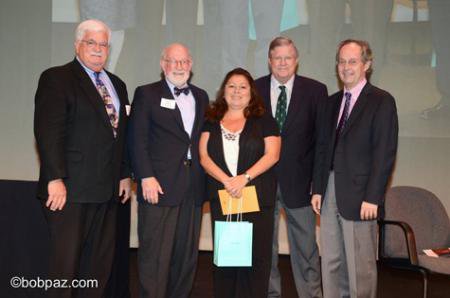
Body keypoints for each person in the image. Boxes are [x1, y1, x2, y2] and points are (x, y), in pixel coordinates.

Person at [34, 19, 132, 298]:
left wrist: (124, 172)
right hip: (70, 192)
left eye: (103, 44)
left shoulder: (117, 84)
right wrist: (54, 178)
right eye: (92, 42)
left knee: (97, 270)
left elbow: (120, 136)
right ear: (77, 45)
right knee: (64, 272)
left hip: (107, 192)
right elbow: (48, 132)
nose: (99, 49)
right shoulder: (57, 78)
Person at [311, 39, 398, 298]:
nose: (346, 67)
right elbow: (322, 149)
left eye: (352, 61)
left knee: (360, 267)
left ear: (366, 65)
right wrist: (317, 188)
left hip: (361, 197)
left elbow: (384, 154)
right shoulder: (330, 102)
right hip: (328, 193)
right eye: (341, 61)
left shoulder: (381, 101)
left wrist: (374, 197)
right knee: (331, 263)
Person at [128, 43, 209, 298]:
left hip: (193, 189)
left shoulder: (202, 96)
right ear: (163, 65)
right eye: (174, 61)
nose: (180, 66)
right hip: (158, 187)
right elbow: (136, 140)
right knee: (155, 259)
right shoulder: (146, 93)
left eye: (184, 62)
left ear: (191, 65)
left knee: (185, 260)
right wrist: (145, 177)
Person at [255, 36, 327, 298]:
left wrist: (318, 186)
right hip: (262, 184)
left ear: (296, 61)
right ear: (269, 61)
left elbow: (322, 144)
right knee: (265, 250)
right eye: (277, 58)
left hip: (301, 187)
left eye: (288, 58)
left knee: (307, 250)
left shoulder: (316, 90)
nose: (282, 63)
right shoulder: (254, 89)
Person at [199, 67, 281, 298]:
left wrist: (243, 179)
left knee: (256, 262)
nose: (237, 91)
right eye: (231, 86)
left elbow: (272, 155)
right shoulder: (211, 119)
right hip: (223, 200)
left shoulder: (264, 119)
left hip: (256, 201)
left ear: (251, 92)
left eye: (242, 87)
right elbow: (204, 157)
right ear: (223, 90)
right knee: (225, 262)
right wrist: (227, 181)